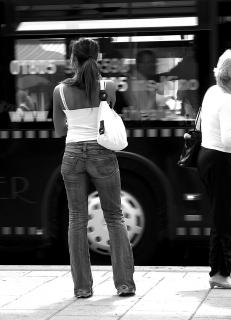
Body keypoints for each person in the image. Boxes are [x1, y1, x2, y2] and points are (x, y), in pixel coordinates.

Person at [52, 38, 136, 298]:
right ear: (98, 58)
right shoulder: (107, 86)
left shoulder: (60, 91)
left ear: (72, 59)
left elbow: (58, 131)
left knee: (76, 219)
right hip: (102, 153)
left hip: (73, 153)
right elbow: (106, 118)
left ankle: (82, 288)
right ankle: (124, 284)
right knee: (114, 216)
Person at [197, 49, 231, 288]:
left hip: (206, 156)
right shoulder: (228, 100)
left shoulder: (212, 92)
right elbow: (229, 140)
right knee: (225, 219)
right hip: (222, 159)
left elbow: (199, 123)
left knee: (220, 217)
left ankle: (218, 273)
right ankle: (220, 271)